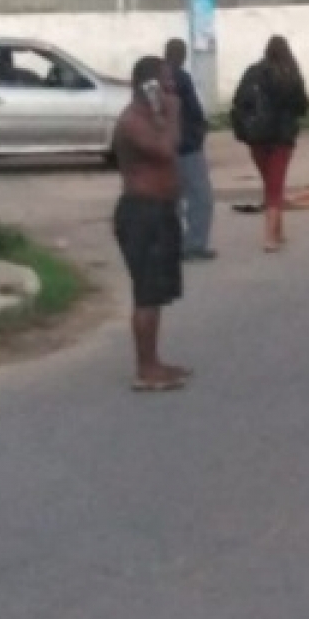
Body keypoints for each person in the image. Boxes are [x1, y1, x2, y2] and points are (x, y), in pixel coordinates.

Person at [111, 54, 191, 391]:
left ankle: (154, 361)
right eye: (166, 80)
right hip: (142, 214)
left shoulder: (153, 118)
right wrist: (172, 112)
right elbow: (165, 150)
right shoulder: (132, 121)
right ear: (150, 86)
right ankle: (145, 370)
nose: (172, 87)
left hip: (161, 211)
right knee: (146, 293)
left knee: (157, 292)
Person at [231, 35, 309, 252]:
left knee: (271, 183)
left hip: (256, 137)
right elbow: (302, 106)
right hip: (281, 138)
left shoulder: (252, 72)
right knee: (275, 185)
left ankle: (278, 230)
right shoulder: (290, 74)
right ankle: (270, 237)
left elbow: (239, 100)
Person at [164, 38, 215, 261]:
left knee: (173, 199)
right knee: (201, 197)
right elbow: (193, 110)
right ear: (183, 55)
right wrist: (200, 130)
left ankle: (172, 244)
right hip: (187, 146)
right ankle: (194, 243)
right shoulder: (181, 78)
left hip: (166, 147)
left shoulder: (156, 80)